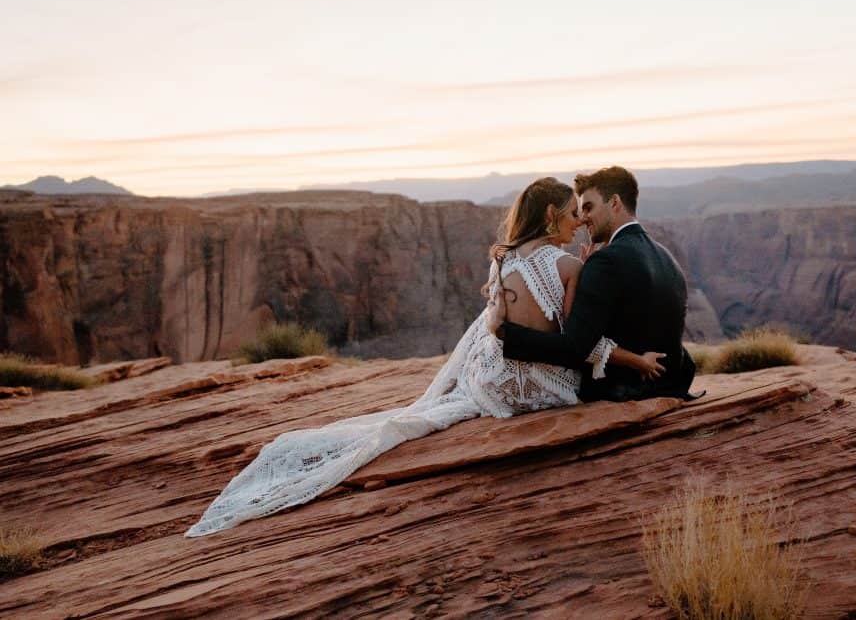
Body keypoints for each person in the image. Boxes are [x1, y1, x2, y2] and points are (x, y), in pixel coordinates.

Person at [186, 177, 664, 537]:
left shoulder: (503, 260)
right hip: (541, 391)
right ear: (551, 216)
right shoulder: (571, 266)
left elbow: (499, 327)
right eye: (572, 214)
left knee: (473, 355)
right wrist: (635, 360)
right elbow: (577, 342)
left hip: (495, 385)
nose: (579, 222)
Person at [489, 166, 703, 403]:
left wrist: (505, 333)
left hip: (622, 392)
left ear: (614, 203)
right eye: (579, 211)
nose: (583, 219)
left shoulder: (605, 261)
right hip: (671, 384)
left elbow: (574, 348)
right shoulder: (666, 257)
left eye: (588, 207)